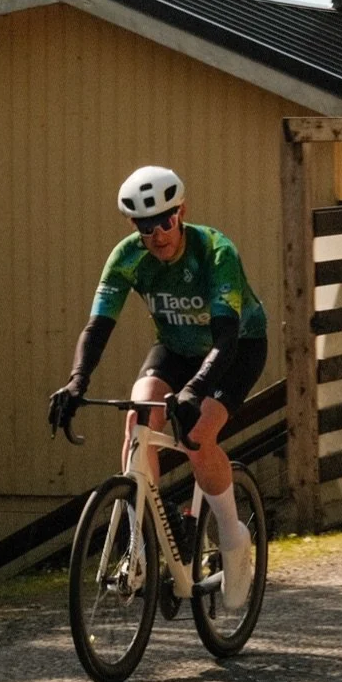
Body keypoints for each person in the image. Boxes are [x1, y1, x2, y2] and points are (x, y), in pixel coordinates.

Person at [48, 165, 267, 605]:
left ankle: (233, 537)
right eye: (146, 226)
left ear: (181, 212)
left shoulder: (215, 250)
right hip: (176, 347)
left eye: (166, 221)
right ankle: (141, 548)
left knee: (196, 437)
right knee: (138, 418)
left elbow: (225, 337)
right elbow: (97, 328)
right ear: (134, 225)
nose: (158, 234)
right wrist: (76, 381)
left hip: (235, 347)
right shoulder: (127, 257)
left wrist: (195, 389)